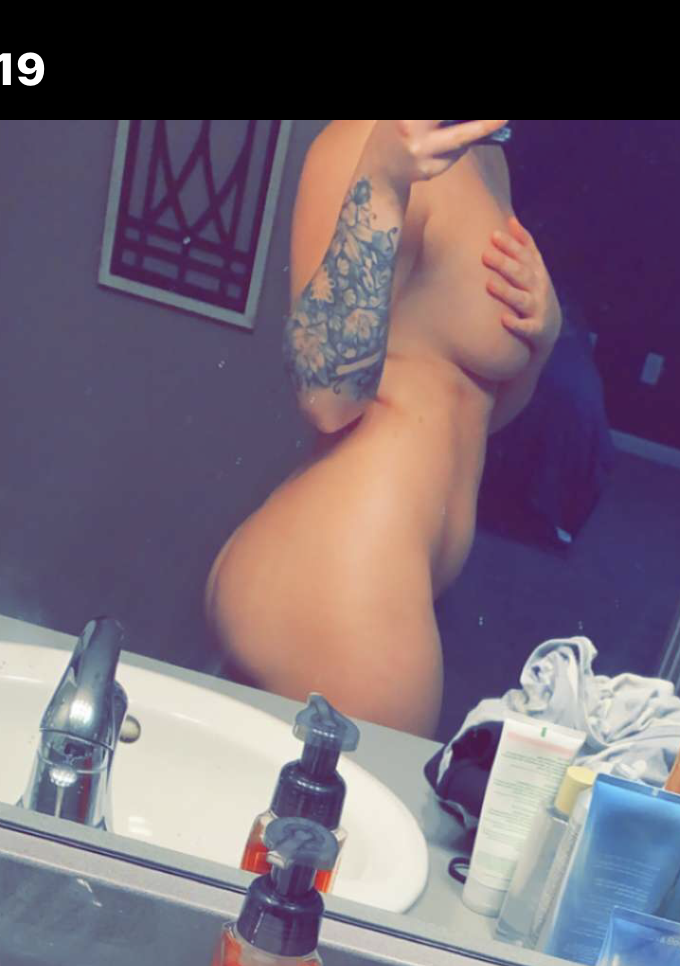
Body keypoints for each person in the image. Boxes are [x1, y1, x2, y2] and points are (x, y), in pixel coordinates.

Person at [204, 120, 561, 735]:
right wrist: (383, 181)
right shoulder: (364, 140)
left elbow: (475, 414)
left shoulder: (485, 160)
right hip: (342, 575)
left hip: (384, 575)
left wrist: (543, 337)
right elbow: (326, 397)